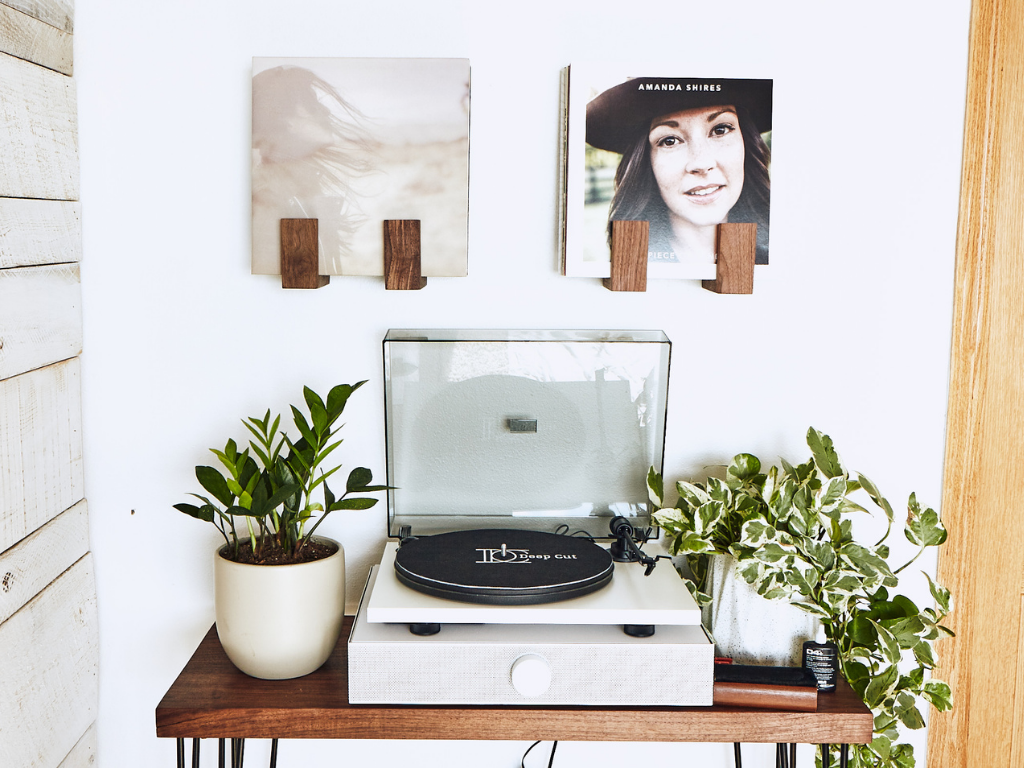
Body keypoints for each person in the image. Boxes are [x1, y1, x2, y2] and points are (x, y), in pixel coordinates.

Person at [586, 78, 772, 265]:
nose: (701, 162)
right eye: (669, 141)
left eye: (720, 129)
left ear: (745, 142)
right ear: (645, 161)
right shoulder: (634, 265)